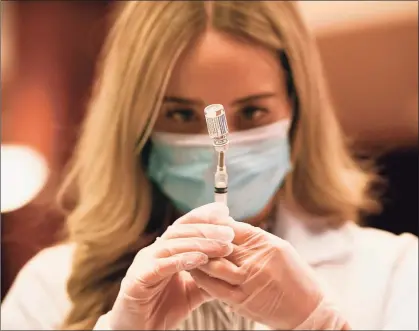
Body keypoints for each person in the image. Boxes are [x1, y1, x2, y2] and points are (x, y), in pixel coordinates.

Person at [1, 1, 417, 330]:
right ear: (135, 129)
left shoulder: (395, 272)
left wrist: (318, 326)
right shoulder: (49, 288)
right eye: (181, 116)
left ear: (297, 117)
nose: (223, 143)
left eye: (253, 112)